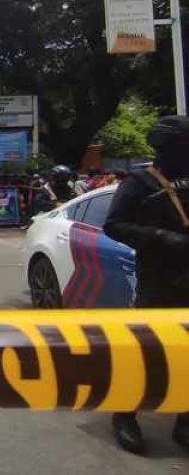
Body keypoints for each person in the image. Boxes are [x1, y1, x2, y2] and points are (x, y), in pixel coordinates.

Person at [103, 115, 189, 455]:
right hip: (159, 280)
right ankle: (125, 415)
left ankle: (184, 421)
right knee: (146, 352)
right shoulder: (139, 184)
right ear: (169, 148)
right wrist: (158, 237)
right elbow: (114, 225)